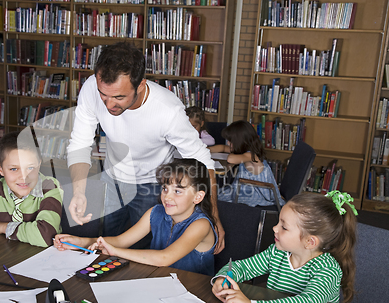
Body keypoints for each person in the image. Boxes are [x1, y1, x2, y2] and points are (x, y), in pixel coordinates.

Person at [66, 42, 224, 252]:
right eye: (103, 94)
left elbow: (202, 161)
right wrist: (79, 191)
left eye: (119, 97)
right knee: (106, 245)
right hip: (112, 178)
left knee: (139, 250)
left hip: (152, 185)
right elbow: (80, 142)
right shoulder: (91, 89)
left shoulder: (168, 111)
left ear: (140, 85)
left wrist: (214, 217)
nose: (108, 104)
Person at [55, 159, 218, 275]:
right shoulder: (155, 212)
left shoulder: (201, 225)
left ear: (198, 197)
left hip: (194, 292)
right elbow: (120, 241)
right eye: (165, 188)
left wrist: (116, 251)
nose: (167, 197)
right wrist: (79, 242)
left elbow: (164, 258)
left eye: (178, 191)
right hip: (159, 282)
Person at [211, 191, 357, 303]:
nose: (274, 228)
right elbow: (242, 267)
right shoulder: (277, 253)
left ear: (310, 241)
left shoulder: (328, 270)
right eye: (278, 223)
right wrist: (224, 278)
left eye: (284, 227)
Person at [214, 120, 285, 207]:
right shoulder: (246, 152)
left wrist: (233, 151)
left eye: (231, 141)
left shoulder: (251, 155)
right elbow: (223, 148)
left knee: (215, 199)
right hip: (246, 189)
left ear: (239, 141)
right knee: (217, 195)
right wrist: (205, 149)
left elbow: (230, 159)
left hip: (256, 195)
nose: (228, 143)